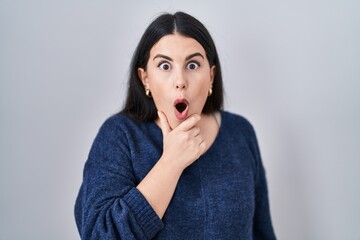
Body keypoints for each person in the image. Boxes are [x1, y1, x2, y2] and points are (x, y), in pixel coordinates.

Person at [75, 11, 276, 239]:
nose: (180, 81)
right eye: (164, 66)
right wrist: (171, 163)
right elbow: (100, 235)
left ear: (210, 76)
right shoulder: (119, 136)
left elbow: (262, 232)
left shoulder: (240, 132)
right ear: (145, 79)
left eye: (192, 65)